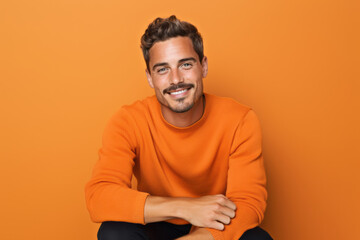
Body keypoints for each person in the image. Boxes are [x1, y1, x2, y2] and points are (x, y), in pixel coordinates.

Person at [85, 15, 273, 240]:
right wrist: (185, 208)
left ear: (203, 66)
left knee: (257, 238)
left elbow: (249, 203)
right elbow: (100, 197)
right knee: (114, 232)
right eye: (162, 69)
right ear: (150, 78)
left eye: (185, 64)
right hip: (157, 221)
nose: (176, 79)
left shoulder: (240, 120)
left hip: (212, 226)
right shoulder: (128, 120)